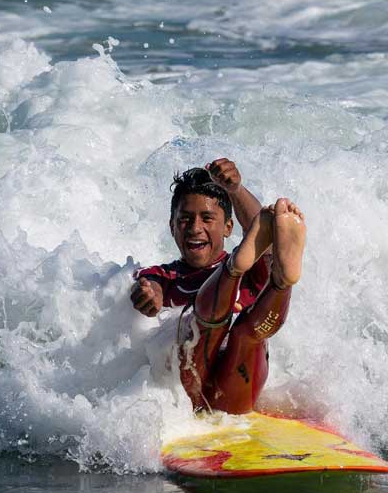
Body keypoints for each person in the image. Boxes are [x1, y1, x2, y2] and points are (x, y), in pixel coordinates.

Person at [130, 158, 306, 414]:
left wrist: (235, 190)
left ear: (228, 227)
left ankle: (273, 277)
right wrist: (148, 295)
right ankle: (274, 281)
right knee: (219, 330)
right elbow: (151, 286)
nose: (195, 228)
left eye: (207, 218)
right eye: (185, 219)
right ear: (171, 227)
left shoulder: (253, 268)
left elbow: (262, 237)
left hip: (233, 384)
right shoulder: (163, 276)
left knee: (245, 334)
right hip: (207, 388)